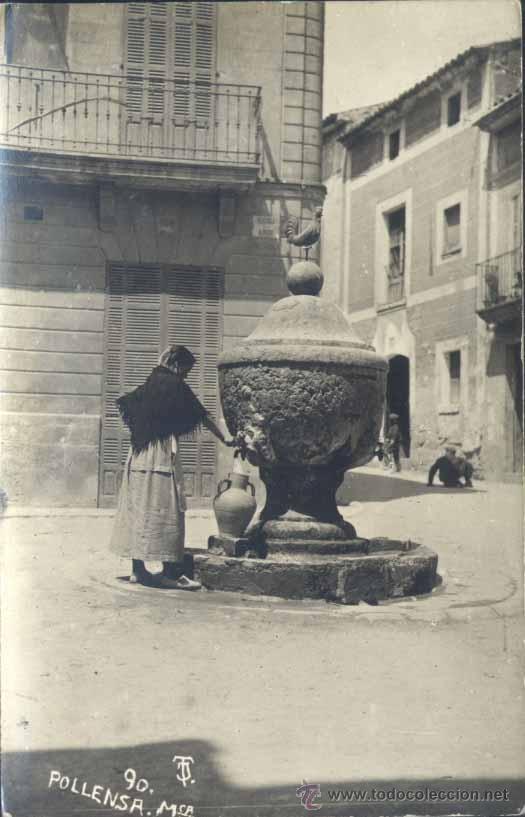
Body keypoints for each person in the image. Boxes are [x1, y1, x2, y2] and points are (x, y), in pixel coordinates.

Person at [110, 344, 235, 589]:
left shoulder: (150, 382)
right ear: (178, 366)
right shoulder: (174, 384)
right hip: (160, 457)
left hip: (138, 456)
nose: (185, 376)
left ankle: (138, 570)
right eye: (186, 371)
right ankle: (169, 573)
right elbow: (202, 415)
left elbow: (129, 408)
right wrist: (225, 439)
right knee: (167, 509)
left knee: (139, 510)